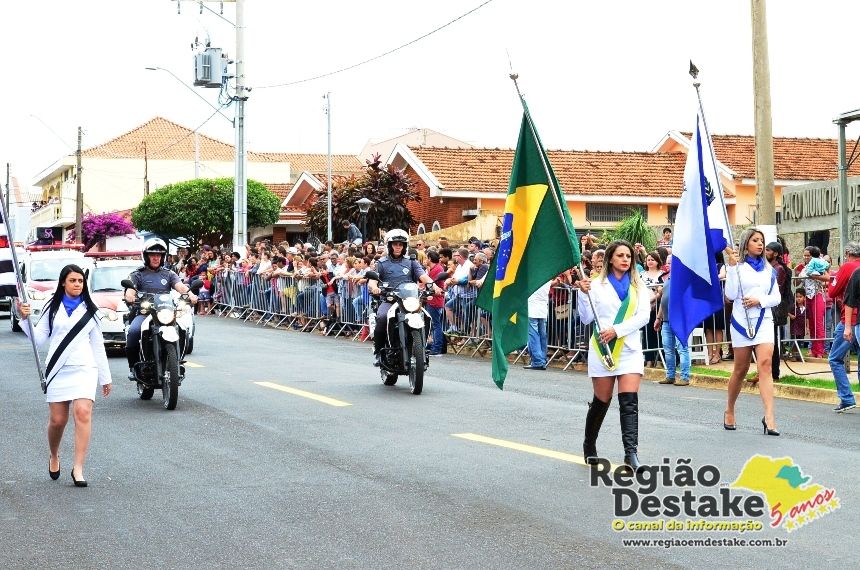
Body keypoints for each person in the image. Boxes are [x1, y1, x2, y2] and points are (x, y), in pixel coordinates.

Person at [18, 264, 112, 487]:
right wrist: (24, 318)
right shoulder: (52, 306)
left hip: (84, 368)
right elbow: (38, 339)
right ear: (63, 283)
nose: (77, 284)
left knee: (83, 412)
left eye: (80, 281)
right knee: (58, 420)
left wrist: (105, 377)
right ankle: (54, 454)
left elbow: (98, 345)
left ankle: (78, 468)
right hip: (58, 368)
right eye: (72, 280)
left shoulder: (90, 309)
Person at [576, 240, 651, 470]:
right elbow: (586, 318)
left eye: (628, 256)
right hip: (603, 350)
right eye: (620, 255)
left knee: (629, 402)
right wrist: (582, 294)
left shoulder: (638, 286)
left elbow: (644, 316)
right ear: (610, 259)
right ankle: (589, 444)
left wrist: (617, 330)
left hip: (629, 349)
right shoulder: (596, 284)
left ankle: (631, 454)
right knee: (602, 400)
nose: (625, 259)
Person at [723, 228, 783, 436]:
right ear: (746, 243)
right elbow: (730, 295)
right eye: (755, 240)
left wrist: (760, 300)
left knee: (765, 365)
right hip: (741, 321)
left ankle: (769, 416)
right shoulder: (737, 267)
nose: (760, 244)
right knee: (740, 369)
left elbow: (776, 297)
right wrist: (731, 269)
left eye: (762, 241)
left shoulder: (769, 270)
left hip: (764, 320)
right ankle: (730, 409)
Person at [124, 238, 198, 380]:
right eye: (152, 255)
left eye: (159, 255)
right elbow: (130, 290)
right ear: (146, 256)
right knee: (133, 332)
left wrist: (191, 294)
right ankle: (133, 367)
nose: (156, 258)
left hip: (165, 313)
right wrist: (130, 296)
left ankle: (176, 362)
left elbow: (180, 287)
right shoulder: (138, 274)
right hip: (145, 313)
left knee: (182, 330)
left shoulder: (169, 274)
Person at [367, 229, 440, 364]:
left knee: (426, 317)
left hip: (409, 300)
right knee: (382, 317)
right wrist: (374, 287)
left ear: (404, 246)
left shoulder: (411, 262)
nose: (398, 247)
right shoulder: (382, 263)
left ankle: (421, 348)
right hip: (390, 300)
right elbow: (373, 280)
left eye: (400, 244)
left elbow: (423, 276)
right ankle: (379, 351)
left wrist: (434, 286)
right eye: (395, 244)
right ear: (390, 245)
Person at [831, 245, 860, 412]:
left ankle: (847, 398)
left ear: (848, 254)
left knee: (835, 358)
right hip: (857, 320)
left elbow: (833, 291)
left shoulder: (848, 267)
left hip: (849, 320)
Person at [655, 258, 690, 386]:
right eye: (668, 262)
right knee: (668, 349)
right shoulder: (667, 279)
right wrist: (658, 318)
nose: (668, 265)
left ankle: (685, 377)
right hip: (666, 320)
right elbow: (663, 300)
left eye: (671, 262)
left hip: (679, 320)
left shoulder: (683, 279)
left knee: (682, 349)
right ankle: (670, 375)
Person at [766, 242, 792, 382]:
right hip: (769, 307)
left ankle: (774, 373)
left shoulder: (779, 269)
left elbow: (777, 290)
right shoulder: (768, 267)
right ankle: (766, 371)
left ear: (775, 253)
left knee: (772, 342)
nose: (765, 252)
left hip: (775, 309)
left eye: (768, 250)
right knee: (767, 342)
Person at [524, 281, 552, 370]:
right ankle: (542, 360)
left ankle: (537, 361)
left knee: (533, 335)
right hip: (542, 309)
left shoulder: (533, 277)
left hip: (532, 307)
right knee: (542, 335)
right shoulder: (547, 278)